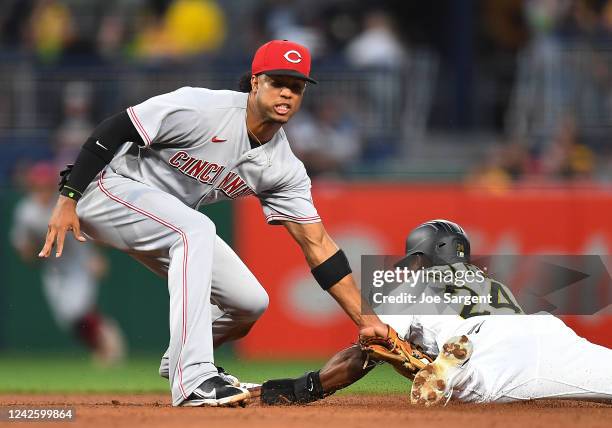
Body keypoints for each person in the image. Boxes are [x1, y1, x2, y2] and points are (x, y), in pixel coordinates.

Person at [38, 40, 390, 408]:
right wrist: (69, 196)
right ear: (255, 83)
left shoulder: (284, 167)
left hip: (163, 215)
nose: (287, 92)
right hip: (106, 189)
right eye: (277, 82)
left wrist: (368, 321)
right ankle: (193, 379)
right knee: (196, 230)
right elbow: (114, 128)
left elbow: (319, 246)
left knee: (248, 302)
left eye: (296, 86)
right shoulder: (204, 108)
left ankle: (179, 358)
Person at [259, 219, 612, 406]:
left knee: (459, 382)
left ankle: (451, 371)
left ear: (419, 258)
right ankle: (443, 365)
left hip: (485, 349)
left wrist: (308, 386)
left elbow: (367, 350)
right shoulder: (490, 281)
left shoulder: (411, 287)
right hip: (545, 330)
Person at [11, 162, 125, 365]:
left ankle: (105, 340)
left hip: (79, 264)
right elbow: (23, 244)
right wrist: (28, 251)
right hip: (54, 270)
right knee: (68, 319)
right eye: (39, 186)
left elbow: (90, 228)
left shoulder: (65, 204)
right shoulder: (26, 211)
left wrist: (96, 256)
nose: (43, 190)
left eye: (46, 185)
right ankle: (101, 340)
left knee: (78, 310)